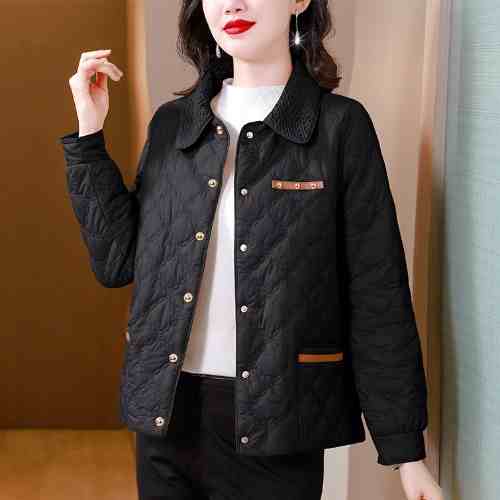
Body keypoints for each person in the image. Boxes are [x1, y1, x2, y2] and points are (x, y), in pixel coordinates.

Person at [59, 1, 444, 499]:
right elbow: (117, 262)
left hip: (280, 423)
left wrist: (406, 453)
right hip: (168, 417)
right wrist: (88, 136)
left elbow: (377, 293)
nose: (233, 4)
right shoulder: (173, 124)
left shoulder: (339, 127)